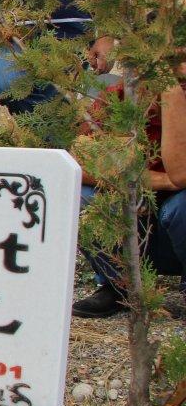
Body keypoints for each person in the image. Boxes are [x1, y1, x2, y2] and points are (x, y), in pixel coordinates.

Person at [72, 76, 186, 318]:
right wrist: (158, 181)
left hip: (176, 223)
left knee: (180, 207)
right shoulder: (116, 98)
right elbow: (79, 165)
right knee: (81, 197)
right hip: (138, 221)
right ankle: (119, 287)